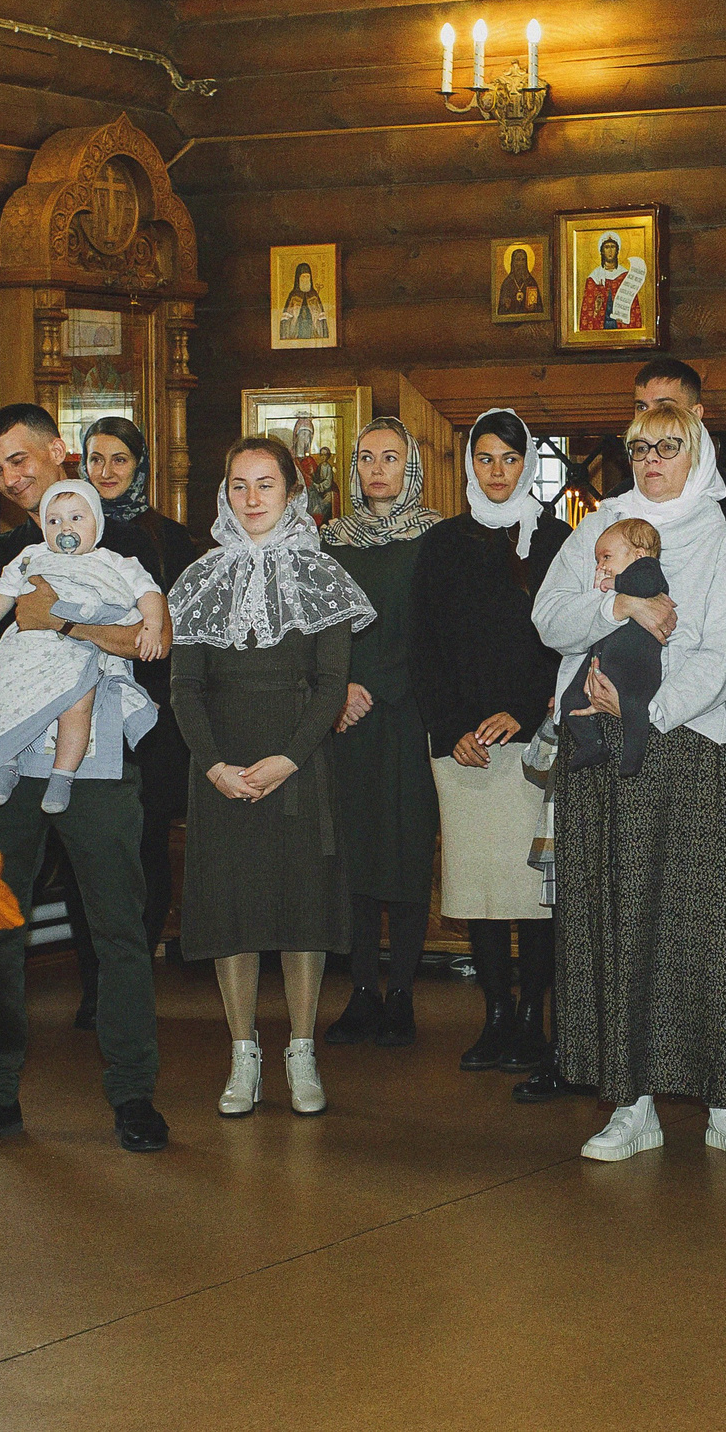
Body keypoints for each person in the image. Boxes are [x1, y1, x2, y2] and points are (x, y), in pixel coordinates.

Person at [533, 401, 726, 1164]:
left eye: (669, 446)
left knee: (708, 924)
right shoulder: (597, 529)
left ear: (698, 449)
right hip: (601, 757)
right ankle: (631, 1102)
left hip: (690, 745)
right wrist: (616, 602)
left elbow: (725, 654)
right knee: (618, 921)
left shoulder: (722, 542)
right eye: (640, 446)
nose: (652, 459)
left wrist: (646, 707)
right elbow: (551, 617)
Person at [0, 404, 170, 1155]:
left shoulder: (128, 541)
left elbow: (146, 641)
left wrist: (57, 625)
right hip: (4, 758)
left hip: (98, 767)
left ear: (58, 452)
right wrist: (25, 688)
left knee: (119, 930)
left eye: (21, 460)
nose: (10, 479)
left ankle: (133, 1094)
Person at [169, 437, 374, 1118]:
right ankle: (242, 1052)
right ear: (224, 494)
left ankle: (303, 1050)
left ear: (293, 494)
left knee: (301, 910)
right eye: (238, 485)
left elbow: (331, 683)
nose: (252, 499)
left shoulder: (322, 576)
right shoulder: (198, 579)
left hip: (299, 757)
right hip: (222, 760)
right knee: (233, 912)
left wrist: (291, 757)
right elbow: (185, 687)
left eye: (266, 485)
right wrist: (213, 764)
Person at [411, 409, 571, 1077]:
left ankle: (533, 1019)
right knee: (478, 888)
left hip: (531, 742)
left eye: (509, 458)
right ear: (468, 464)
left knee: (529, 892)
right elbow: (424, 644)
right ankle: (495, 1015)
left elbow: (566, 642)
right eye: (485, 458)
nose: (497, 471)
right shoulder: (442, 542)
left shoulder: (557, 539)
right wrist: (451, 731)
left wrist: (525, 713)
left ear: (528, 462)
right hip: (463, 746)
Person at [320, 416, 442, 1050]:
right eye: (366, 458)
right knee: (356, 852)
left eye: (390, 458)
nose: (376, 469)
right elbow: (320, 626)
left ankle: (403, 993)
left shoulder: (436, 538)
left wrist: (387, 685)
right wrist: (340, 687)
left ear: (411, 466)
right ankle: (361, 989)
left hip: (410, 714)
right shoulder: (330, 541)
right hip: (346, 716)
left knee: (408, 849)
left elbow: (437, 632)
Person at [80, 416, 199, 976]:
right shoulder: (67, 529)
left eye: (119, 460)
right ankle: (93, 975)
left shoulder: (169, 537)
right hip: (78, 710)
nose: (106, 472)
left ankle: (133, 971)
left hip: (151, 718)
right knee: (86, 847)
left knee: (145, 843)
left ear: (140, 466)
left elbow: (181, 635)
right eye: (96, 459)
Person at [0, 479, 168, 814]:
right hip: (30, 646)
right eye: (54, 520)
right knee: (2, 694)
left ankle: (62, 775)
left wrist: (151, 627)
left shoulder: (116, 562)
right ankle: (6, 765)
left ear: (97, 524)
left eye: (77, 518)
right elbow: (3, 590)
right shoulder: (31, 556)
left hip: (80, 648)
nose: (65, 527)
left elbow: (149, 594)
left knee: (78, 705)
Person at [634, 358, 726, 586]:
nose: (649, 417)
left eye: (664, 407)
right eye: (641, 407)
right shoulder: (616, 504)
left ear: (696, 414)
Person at [558, 518, 667, 775]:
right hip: (601, 660)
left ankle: (634, 755)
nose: (601, 566)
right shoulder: (616, 584)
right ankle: (591, 744)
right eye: (598, 560)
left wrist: (614, 584)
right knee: (569, 700)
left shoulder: (648, 570)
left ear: (639, 555)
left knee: (633, 707)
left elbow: (646, 586)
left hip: (636, 665)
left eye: (606, 557)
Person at [496, 247, 542, 317]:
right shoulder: (507, 283)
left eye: (523, 260)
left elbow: (540, 309)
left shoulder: (531, 282)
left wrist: (534, 308)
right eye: (517, 260)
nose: (520, 263)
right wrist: (506, 306)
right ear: (513, 262)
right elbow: (500, 312)